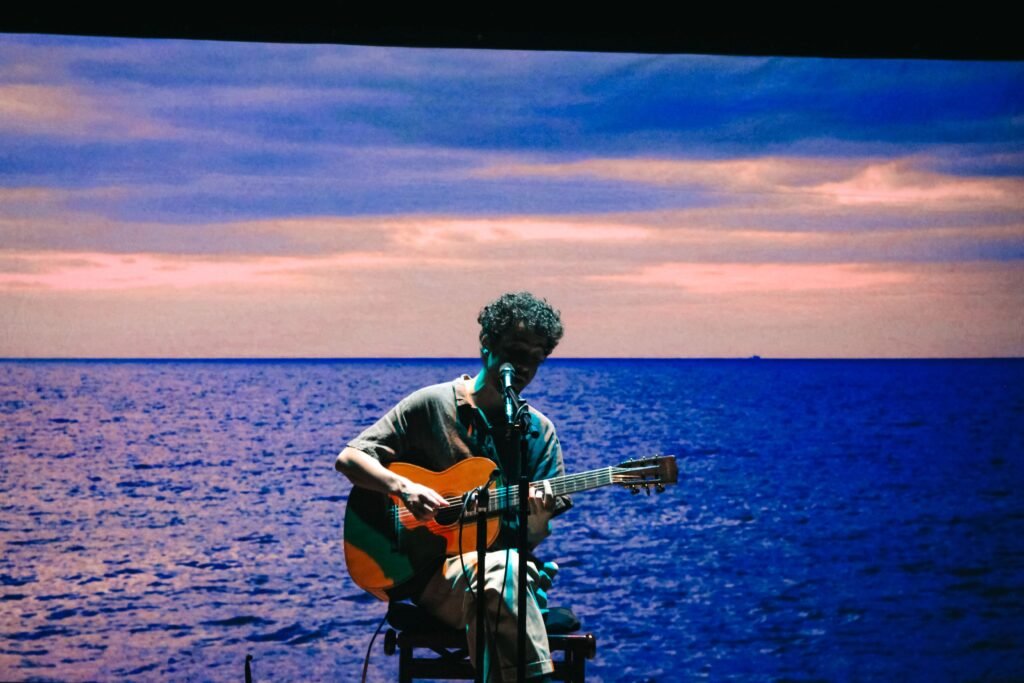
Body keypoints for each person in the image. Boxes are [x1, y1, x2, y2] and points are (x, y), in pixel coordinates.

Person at [335, 291, 571, 682]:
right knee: (505, 576)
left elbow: (531, 538)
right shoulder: (430, 406)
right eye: (515, 352)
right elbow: (350, 459)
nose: (524, 367)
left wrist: (538, 517)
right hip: (434, 575)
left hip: (505, 576)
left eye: (536, 357)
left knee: (505, 571)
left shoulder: (539, 434)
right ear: (487, 344)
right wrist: (403, 488)